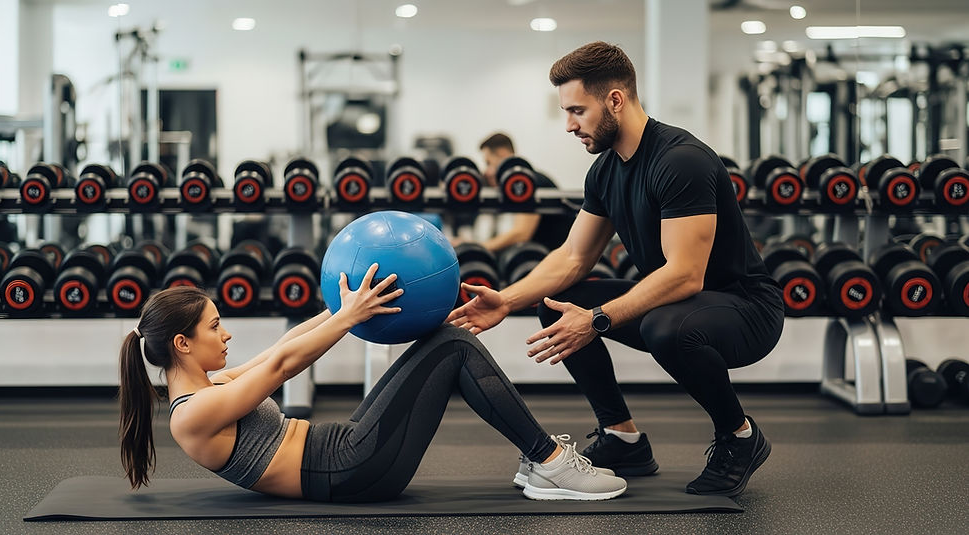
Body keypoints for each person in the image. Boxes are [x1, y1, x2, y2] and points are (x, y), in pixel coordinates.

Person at [447, 42, 784, 497]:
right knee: (557, 307)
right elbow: (572, 258)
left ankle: (739, 435)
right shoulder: (606, 171)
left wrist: (598, 319)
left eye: (577, 111)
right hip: (681, 303)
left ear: (615, 100)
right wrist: (506, 299)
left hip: (746, 310)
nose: (569, 125)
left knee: (666, 327)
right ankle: (623, 438)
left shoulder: (680, 160)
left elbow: (686, 275)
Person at [118, 268, 626, 503]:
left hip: (342, 450)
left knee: (447, 338)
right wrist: (348, 320)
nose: (225, 333)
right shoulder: (190, 415)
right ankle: (549, 464)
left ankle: (540, 460)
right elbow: (280, 371)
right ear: (181, 345)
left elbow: (279, 348)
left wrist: (341, 306)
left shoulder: (210, 386)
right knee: (452, 346)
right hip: (348, 470)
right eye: (213, 327)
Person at [452, 133, 573, 253]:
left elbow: (521, 233)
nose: (486, 171)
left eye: (488, 163)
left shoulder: (528, 182)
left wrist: (474, 247)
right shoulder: (514, 186)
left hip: (559, 256)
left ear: (502, 154)